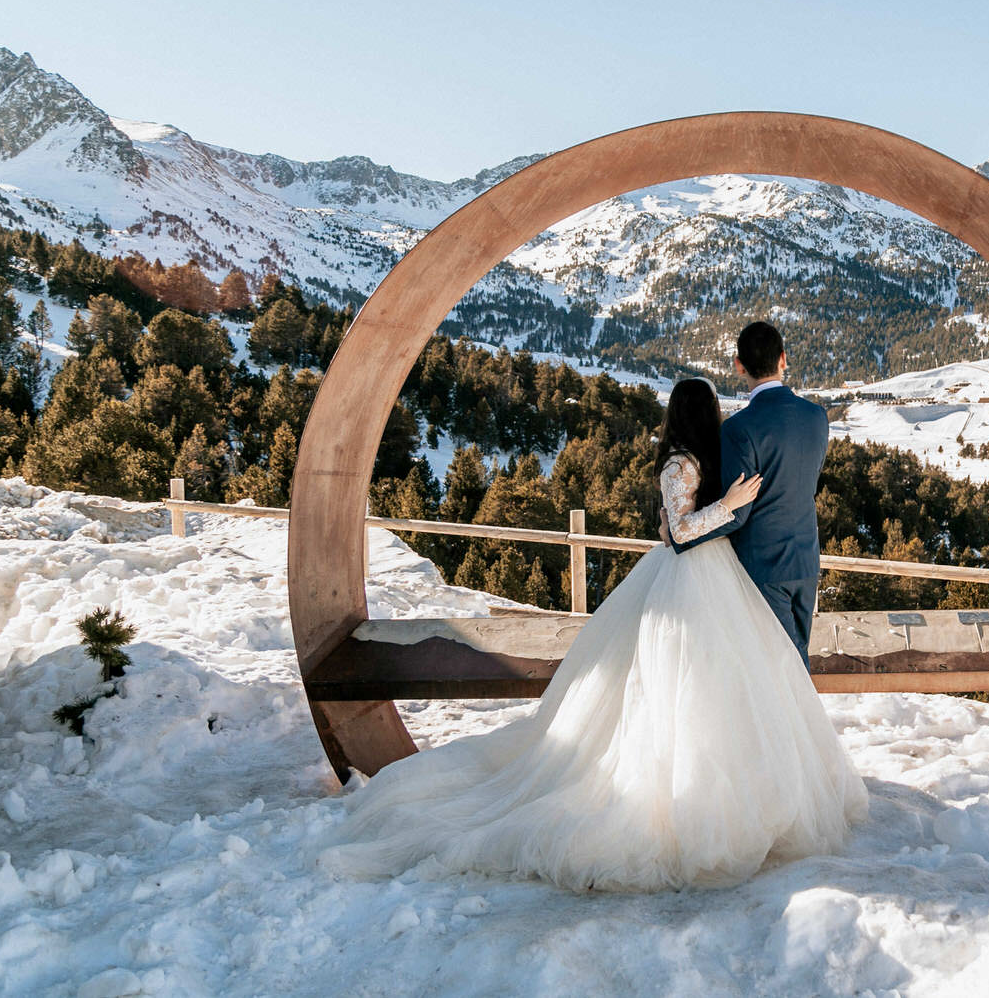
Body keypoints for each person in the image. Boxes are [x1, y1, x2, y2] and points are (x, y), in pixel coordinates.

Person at [318, 375, 867, 892]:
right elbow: (679, 533)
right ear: (704, 417)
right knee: (673, 687)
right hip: (688, 580)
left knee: (722, 686)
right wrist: (727, 505)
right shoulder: (679, 464)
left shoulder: (705, 459)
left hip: (719, 576)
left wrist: (725, 507)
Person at [666, 321, 828, 665]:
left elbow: (737, 513)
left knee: (782, 668)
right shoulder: (817, 417)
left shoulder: (740, 428)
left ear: (739, 365)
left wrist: (679, 535)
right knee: (794, 659)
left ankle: (794, 721)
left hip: (763, 566)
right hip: (806, 559)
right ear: (783, 359)